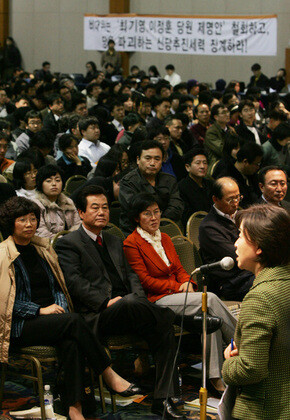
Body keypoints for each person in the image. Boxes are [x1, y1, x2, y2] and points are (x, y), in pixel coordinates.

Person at [0, 196, 140, 420]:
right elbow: (5, 302)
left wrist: (60, 306)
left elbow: (58, 285)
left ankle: (75, 409)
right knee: (75, 321)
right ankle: (108, 372)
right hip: (20, 325)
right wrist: (39, 310)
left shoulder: (42, 249)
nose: (29, 224)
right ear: (10, 223)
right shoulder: (2, 255)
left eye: (33, 219)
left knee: (72, 341)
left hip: (55, 320)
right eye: (22, 220)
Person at [55, 185, 186, 419]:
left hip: (131, 309)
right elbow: (75, 283)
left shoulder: (115, 241)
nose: (102, 212)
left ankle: (162, 401)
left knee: (161, 327)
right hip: (98, 314)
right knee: (146, 310)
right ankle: (178, 317)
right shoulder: (69, 243)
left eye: (105, 207)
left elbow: (133, 277)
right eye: (94, 208)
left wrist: (136, 298)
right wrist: (105, 301)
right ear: (81, 213)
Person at [123, 192, 237, 395]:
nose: (154, 217)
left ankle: (214, 377)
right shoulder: (131, 243)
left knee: (208, 318)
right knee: (208, 298)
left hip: (178, 295)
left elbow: (179, 269)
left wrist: (187, 281)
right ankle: (244, 341)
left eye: (156, 212)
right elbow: (144, 281)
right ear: (137, 218)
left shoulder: (165, 238)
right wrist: (177, 287)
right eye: (147, 213)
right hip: (156, 300)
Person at [222, 204, 290, 420]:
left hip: (264, 410)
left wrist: (228, 362)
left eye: (241, 235)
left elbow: (250, 369)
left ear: (259, 246)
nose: (235, 243)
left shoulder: (261, 297)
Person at [199, 177, 254, 300]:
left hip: (250, 272)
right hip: (232, 281)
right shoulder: (208, 227)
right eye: (230, 199)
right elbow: (236, 255)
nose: (236, 202)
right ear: (215, 199)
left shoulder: (241, 215)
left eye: (238, 197)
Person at [119, 140, 184, 235]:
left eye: (157, 159)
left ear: (163, 160)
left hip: (165, 228)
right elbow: (135, 211)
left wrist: (159, 221)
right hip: (135, 231)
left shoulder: (169, 180)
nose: (152, 163)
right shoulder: (128, 182)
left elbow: (177, 206)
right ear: (138, 160)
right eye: (148, 158)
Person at [32, 165, 81, 239]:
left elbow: (78, 225)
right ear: (40, 184)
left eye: (57, 180)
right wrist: (64, 240)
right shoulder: (36, 205)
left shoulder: (68, 202)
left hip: (72, 242)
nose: (54, 184)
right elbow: (40, 232)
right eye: (48, 181)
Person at [215, 142, 263, 207]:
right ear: (245, 162)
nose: (258, 167)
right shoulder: (226, 179)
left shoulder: (253, 176)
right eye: (256, 164)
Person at [178, 148, 213, 226]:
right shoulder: (182, 187)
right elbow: (186, 216)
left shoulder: (210, 184)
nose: (202, 166)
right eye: (198, 163)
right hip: (194, 227)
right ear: (188, 167)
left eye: (205, 163)